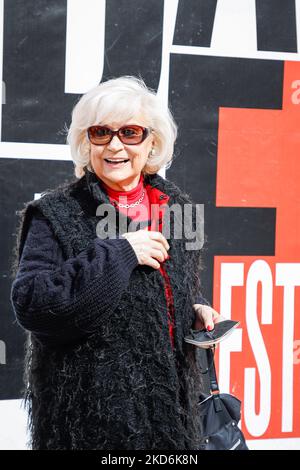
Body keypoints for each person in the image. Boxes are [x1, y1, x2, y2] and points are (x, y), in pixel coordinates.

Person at [11, 75, 223, 450]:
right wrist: (121, 253)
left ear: (152, 141)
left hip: (170, 418)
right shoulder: (54, 213)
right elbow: (34, 304)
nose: (114, 146)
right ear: (85, 141)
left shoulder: (178, 208)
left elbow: (172, 288)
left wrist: (196, 309)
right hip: (90, 423)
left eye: (130, 133)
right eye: (100, 133)